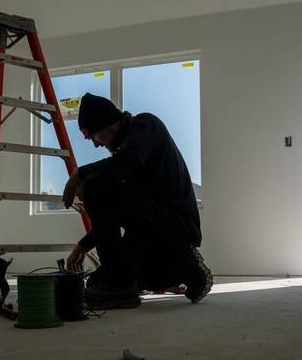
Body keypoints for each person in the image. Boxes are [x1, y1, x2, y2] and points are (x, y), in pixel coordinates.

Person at [62, 93, 212, 310]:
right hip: (149, 232)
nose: (95, 144)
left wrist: (79, 174)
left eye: (94, 137)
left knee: (94, 184)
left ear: (109, 125)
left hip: (176, 228)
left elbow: (123, 165)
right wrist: (83, 246)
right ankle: (185, 271)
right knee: (96, 283)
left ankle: (179, 261)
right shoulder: (128, 153)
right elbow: (115, 211)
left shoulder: (145, 125)